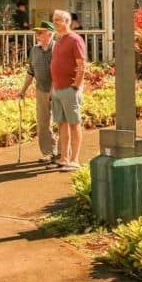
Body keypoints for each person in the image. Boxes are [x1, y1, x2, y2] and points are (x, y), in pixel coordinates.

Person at [50, 10, 87, 172]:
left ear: (67, 21)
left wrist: (75, 87)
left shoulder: (75, 39)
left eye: (58, 20)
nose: (55, 23)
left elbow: (82, 66)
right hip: (57, 89)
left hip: (70, 89)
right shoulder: (58, 40)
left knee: (74, 123)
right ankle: (64, 157)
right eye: (54, 20)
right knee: (62, 124)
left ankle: (75, 159)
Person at [18, 21, 58, 163]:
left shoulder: (57, 48)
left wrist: (54, 91)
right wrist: (23, 90)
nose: (37, 35)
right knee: (43, 123)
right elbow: (31, 72)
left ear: (50, 33)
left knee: (62, 123)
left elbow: (58, 72)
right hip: (41, 90)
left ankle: (64, 154)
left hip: (58, 90)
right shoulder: (34, 50)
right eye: (36, 32)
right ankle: (49, 152)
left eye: (40, 32)